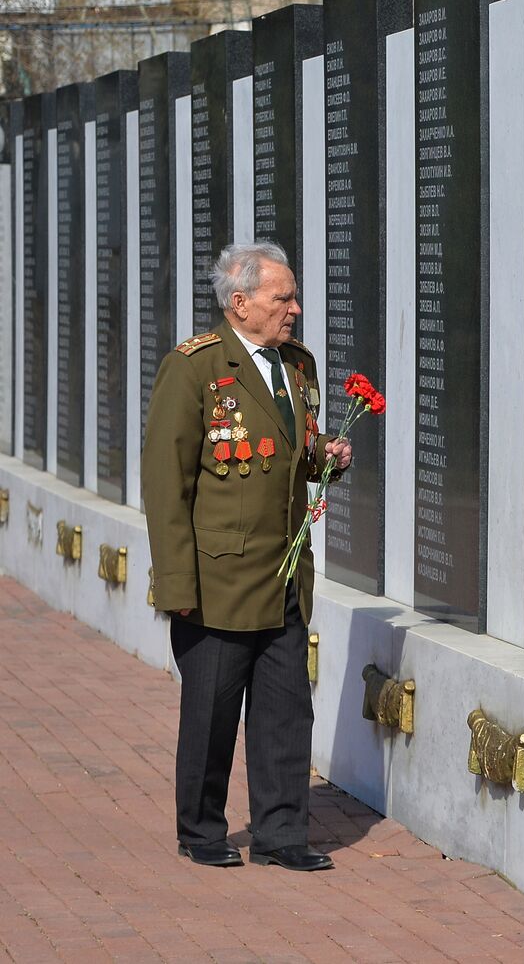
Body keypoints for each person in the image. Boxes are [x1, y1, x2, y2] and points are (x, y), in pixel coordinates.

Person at [143, 241, 352, 871]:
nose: (293, 308)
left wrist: (326, 459)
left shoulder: (297, 368)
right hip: (218, 579)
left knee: (287, 710)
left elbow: (294, 454)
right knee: (211, 712)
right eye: (281, 297)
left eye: (293, 296)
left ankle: (282, 834)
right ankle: (202, 830)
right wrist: (176, 581)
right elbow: (165, 482)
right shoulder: (195, 369)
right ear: (241, 303)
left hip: (284, 574)